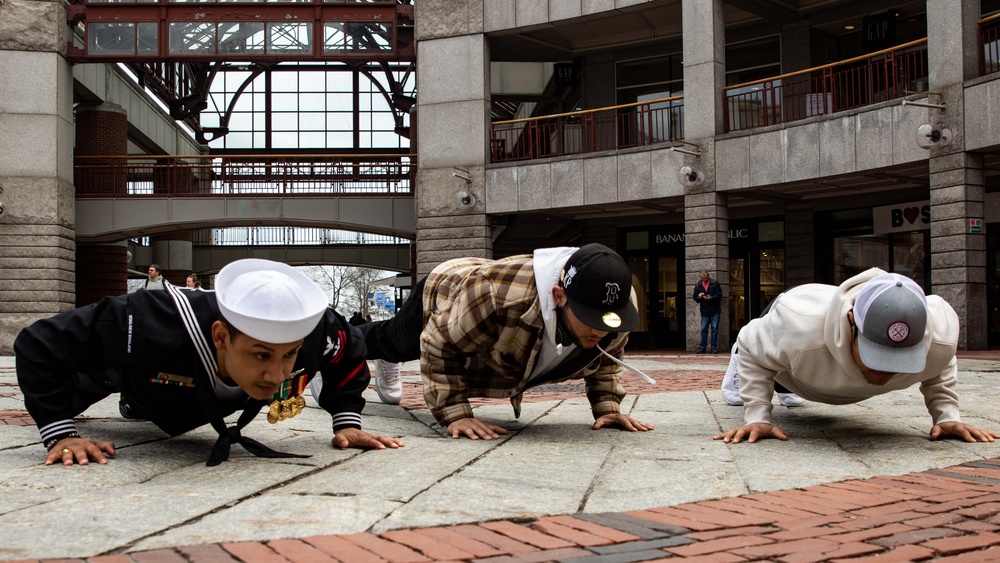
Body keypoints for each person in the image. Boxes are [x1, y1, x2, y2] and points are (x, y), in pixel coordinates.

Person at [15, 258, 403, 467]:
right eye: (260, 354)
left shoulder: (318, 332)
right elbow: (37, 343)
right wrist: (60, 432)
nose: (275, 374)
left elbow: (349, 351)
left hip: (194, 393)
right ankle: (130, 402)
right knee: (79, 391)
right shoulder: (145, 321)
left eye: (289, 355)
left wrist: (347, 421)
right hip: (127, 373)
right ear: (220, 335)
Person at [348, 243, 655, 440]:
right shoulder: (498, 297)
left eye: (606, 321)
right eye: (589, 318)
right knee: (393, 341)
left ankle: (385, 355)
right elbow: (438, 342)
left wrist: (607, 407)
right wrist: (455, 414)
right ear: (559, 297)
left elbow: (605, 358)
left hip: (482, 296)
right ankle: (342, 344)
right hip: (444, 291)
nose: (600, 330)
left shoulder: (616, 304)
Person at [714, 268, 999, 445]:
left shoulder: (940, 336)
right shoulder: (796, 323)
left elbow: (942, 363)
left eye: (901, 357)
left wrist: (946, 416)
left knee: (797, 365)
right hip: (803, 322)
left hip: (812, 360)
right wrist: (757, 416)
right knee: (769, 359)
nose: (885, 373)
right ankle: (767, 376)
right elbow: (751, 341)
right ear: (852, 323)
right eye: (877, 355)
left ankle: (788, 382)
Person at [692, 269, 722, 353]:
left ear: (708, 276)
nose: (704, 280)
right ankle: (702, 347)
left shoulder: (714, 283)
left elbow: (719, 295)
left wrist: (711, 297)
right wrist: (699, 297)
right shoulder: (698, 285)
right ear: (700, 277)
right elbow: (695, 298)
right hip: (704, 310)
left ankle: (713, 347)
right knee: (703, 329)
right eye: (703, 279)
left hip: (715, 310)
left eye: (705, 278)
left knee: (714, 329)